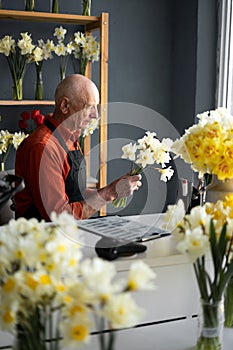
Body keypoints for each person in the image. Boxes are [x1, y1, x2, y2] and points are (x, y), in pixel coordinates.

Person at [14, 74, 141, 221]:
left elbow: (73, 193)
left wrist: (114, 188)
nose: (95, 115)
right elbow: (60, 217)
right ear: (65, 106)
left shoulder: (69, 137)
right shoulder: (43, 147)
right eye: (89, 107)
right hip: (42, 239)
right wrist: (110, 193)